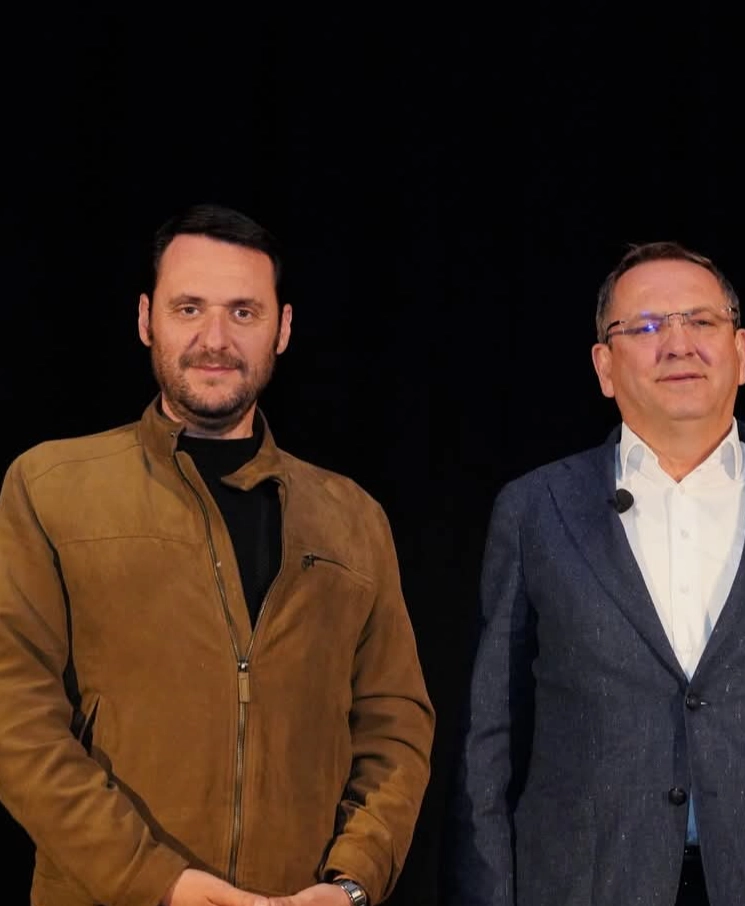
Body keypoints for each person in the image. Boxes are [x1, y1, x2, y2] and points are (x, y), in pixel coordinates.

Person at [446, 242, 745, 905]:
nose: (677, 344)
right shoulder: (535, 510)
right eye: (645, 327)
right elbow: (487, 743)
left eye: (701, 321)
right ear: (604, 367)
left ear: (741, 352)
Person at [0, 204, 435, 906]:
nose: (215, 339)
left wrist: (353, 883)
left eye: (243, 312)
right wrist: (157, 882)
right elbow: (14, 719)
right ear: (146, 319)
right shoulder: (50, 486)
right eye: (189, 308)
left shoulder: (352, 517)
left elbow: (396, 727)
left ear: (282, 328)